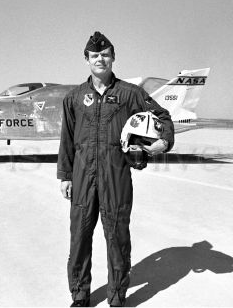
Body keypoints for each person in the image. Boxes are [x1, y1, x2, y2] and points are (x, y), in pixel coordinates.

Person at [57, 31, 175, 307]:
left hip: (116, 174)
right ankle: (79, 293)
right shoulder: (74, 98)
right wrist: (64, 175)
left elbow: (162, 116)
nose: (100, 59)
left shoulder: (129, 94)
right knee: (80, 235)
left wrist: (163, 141)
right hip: (82, 175)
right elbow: (67, 139)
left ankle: (117, 295)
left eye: (105, 54)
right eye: (95, 55)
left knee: (117, 235)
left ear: (113, 58)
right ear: (86, 59)